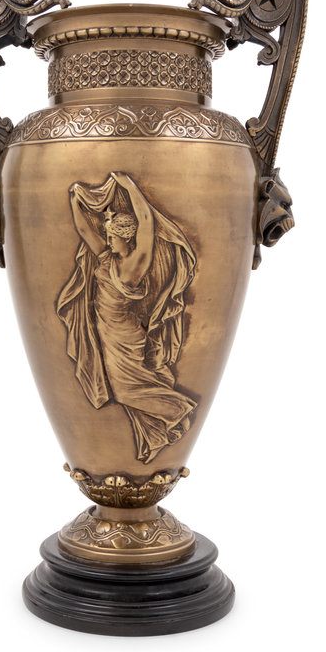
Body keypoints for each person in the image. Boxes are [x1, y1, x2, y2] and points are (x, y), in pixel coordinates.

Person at [57, 172, 197, 464]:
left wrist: (130, 186)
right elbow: (84, 232)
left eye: (111, 236)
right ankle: (164, 424)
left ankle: (178, 410)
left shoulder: (134, 266)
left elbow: (146, 222)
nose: (107, 239)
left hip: (124, 337)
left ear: (125, 236)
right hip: (107, 336)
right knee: (126, 389)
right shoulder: (106, 259)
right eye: (107, 236)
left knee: (124, 391)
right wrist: (74, 200)